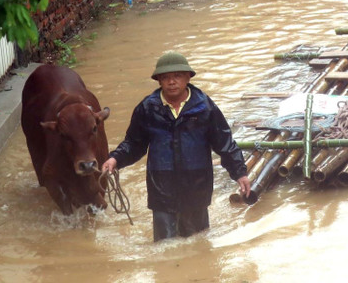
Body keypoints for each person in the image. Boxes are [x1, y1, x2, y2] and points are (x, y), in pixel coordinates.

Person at [101, 52, 250, 242]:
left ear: (188, 77)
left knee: (198, 242)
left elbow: (224, 142)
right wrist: (115, 158)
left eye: (177, 76)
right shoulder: (148, 109)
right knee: (164, 246)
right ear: (159, 81)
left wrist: (240, 173)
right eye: (165, 77)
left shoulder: (204, 107)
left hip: (196, 185)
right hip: (162, 185)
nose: (172, 82)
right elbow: (134, 143)